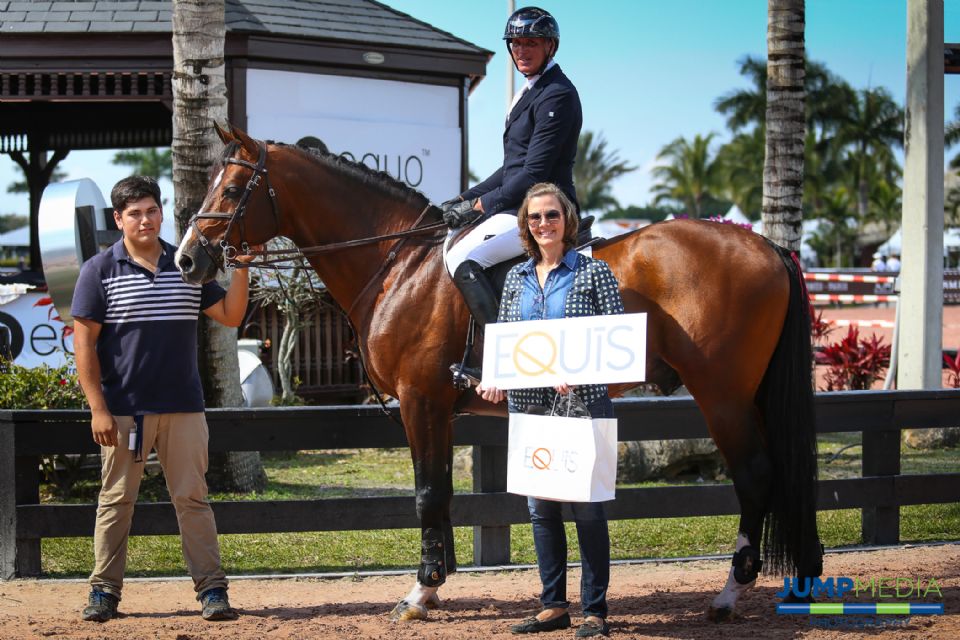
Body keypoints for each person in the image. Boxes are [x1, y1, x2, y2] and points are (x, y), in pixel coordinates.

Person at [71, 176, 252, 623]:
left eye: (152, 210)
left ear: (161, 212)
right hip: (123, 411)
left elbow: (229, 316)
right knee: (115, 502)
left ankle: (212, 590)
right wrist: (97, 408)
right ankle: (103, 594)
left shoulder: (187, 263)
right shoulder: (99, 270)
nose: (145, 219)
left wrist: (243, 267)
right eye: (134, 213)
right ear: (119, 220)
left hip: (184, 407)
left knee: (193, 499)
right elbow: (84, 345)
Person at [477, 183, 622, 638]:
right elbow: (507, 341)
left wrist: (579, 372)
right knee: (542, 510)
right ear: (526, 225)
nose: (543, 224)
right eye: (535, 217)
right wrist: (495, 377)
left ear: (567, 220)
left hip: (581, 406)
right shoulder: (516, 279)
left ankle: (594, 610)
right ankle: (553, 605)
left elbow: (617, 342)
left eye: (551, 215)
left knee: (588, 507)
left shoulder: (594, 273)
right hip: (530, 406)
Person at [441, 6, 582, 384]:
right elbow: (511, 168)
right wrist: (464, 198)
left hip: (546, 207)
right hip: (524, 201)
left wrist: (481, 206)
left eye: (531, 42)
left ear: (550, 46)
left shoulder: (557, 95)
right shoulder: (531, 90)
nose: (521, 50)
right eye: (516, 43)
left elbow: (534, 174)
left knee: (464, 258)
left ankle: (506, 361)